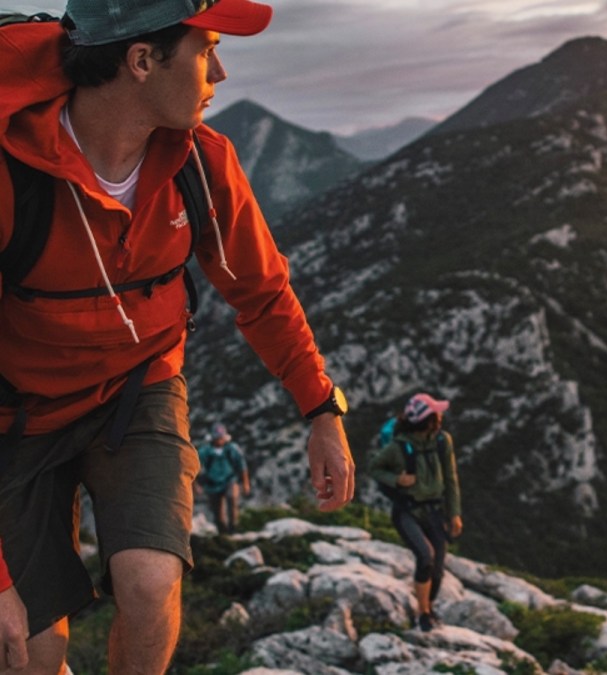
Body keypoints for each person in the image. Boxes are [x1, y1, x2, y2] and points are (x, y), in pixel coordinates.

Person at [0, 1, 356, 672]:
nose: (219, 71)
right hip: (17, 417)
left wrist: (321, 408)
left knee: (151, 581)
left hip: (139, 391)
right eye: (205, 49)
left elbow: (262, 289)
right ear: (140, 60)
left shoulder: (201, 162)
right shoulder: (12, 177)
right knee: (29, 652)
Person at [369, 393, 463, 632]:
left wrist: (454, 514)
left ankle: (428, 609)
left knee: (438, 569)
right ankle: (422, 614)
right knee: (425, 556)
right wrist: (397, 479)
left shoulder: (443, 441)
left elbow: (451, 480)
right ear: (428, 420)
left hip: (434, 511)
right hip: (407, 511)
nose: (441, 417)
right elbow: (374, 468)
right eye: (436, 414)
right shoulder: (398, 447)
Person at [197, 423, 251, 534]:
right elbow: (196, 467)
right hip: (213, 483)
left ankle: (234, 528)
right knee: (218, 513)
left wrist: (245, 483)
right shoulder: (205, 451)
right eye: (217, 438)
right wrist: (196, 485)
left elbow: (242, 465)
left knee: (232, 498)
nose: (219, 440)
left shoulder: (232, 448)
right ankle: (223, 532)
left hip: (229, 480)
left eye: (221, 438)